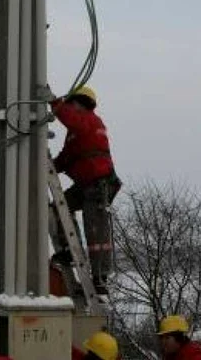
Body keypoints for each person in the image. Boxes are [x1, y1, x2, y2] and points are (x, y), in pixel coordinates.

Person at [49, 86, 122, 295]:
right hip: (85, 185)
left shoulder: (90, 120)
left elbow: (73, 121)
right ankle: (70, 250)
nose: (69, 108)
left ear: (79, 103)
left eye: (71, 104)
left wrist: (55, 104)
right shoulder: (75, 133)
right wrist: (48, 166)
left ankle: (100, 277)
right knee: (58, 208)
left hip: (99, 184)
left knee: (96, 233)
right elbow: (66, 157)